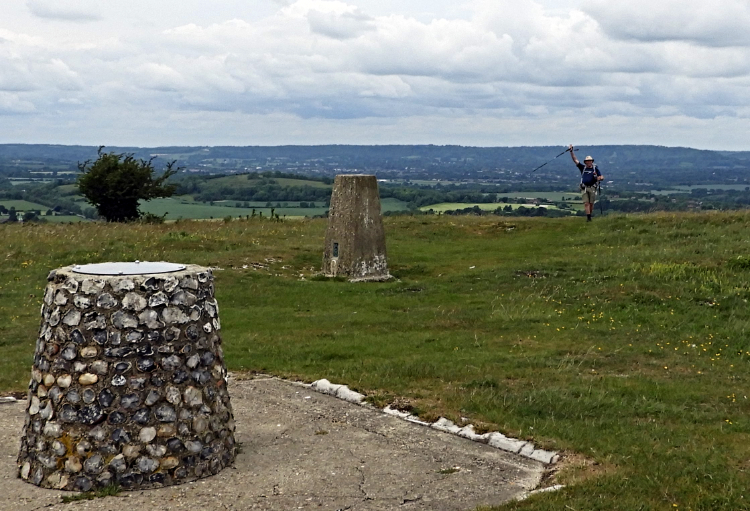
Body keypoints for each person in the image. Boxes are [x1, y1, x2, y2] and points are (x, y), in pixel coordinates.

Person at [569, 144, 603, 222]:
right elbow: (575, 160)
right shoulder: (583, 168)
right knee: (586, 203)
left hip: (593, 187)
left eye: (590, 161)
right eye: (587, 161)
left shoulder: (595, 168)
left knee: (591, 203)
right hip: (584, 187)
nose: (588, 162)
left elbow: (601, 176)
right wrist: (571, 152)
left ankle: (589, 215)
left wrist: (600, 178)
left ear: (592, 162)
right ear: (585, 162)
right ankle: (588, 217)